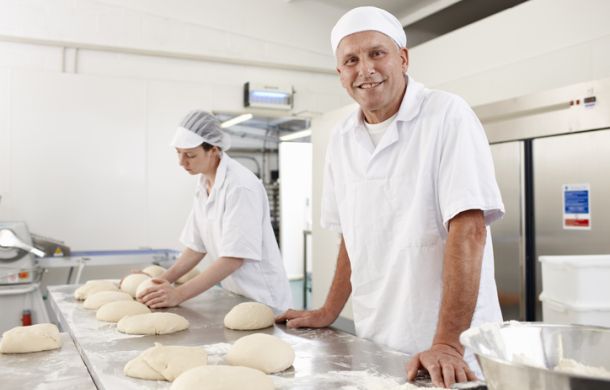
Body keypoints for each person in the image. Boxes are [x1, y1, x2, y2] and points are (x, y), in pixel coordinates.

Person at [276, 6, 504, 388]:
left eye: (376, 53)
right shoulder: (343, 138)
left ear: (403, 57)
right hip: (378, 340)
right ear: (339, 73)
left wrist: (448, 344)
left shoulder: (447, 115)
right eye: (351, 60)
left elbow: (469, 230)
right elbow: (351, 233)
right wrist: (329, 309)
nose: (364, 69)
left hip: (451, 353)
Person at [138, 110, 292, 311]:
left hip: (263, 298)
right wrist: (161, 281)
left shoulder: (240, 187)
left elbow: (234, 258)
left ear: (214, 150)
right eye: (178, 152)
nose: (181, 162)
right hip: (237, 295)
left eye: (190, 155)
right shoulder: (204, 183)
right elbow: (196, 246)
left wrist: (179, 294)